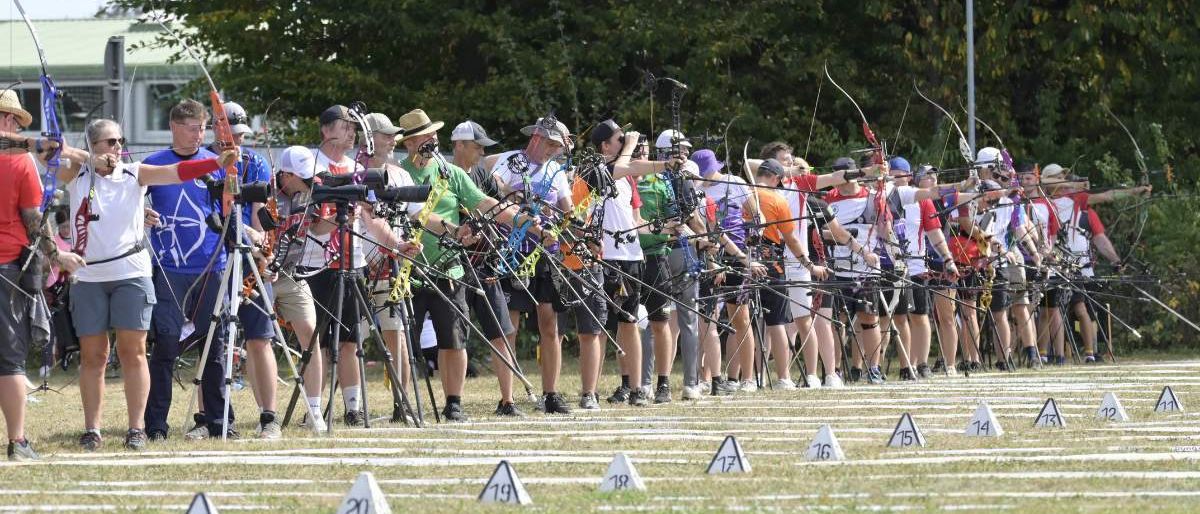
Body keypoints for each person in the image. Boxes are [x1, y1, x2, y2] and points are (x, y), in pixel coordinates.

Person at [65, 118, 238, 450]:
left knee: (134, 353)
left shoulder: (135, 172)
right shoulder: (76, 173)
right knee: (94, 355)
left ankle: (136, 429)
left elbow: (178, 173)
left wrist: (217, 162)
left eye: (120, 141)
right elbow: (50, 153)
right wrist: (89, 159)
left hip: (131, 273)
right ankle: (92, 429)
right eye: (109, 142)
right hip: (89, 277)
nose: (117, 148)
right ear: (93, 145)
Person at [396, 108, 540, 421]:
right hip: (411, 269)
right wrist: (453, 230)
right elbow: (415, 214)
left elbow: (483, 202)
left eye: (434, 134)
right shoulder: (399, 174)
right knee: (405, 342)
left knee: (454, 340)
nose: (432, 140)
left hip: (449, 269)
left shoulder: (450, 173)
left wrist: (518, 219)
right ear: (408, 143)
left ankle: (454, 403)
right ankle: (403, 406)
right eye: (425, 136)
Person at [0, 91, 87, 459]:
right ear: (10, 122)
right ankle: (18, 441)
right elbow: (34, 221)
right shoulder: (21, 165)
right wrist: (59, 256)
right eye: (16, 121)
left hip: (8, 268)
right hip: (7, 268)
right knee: (10, 360)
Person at [144, 99, 237, 440]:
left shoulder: (215, 162)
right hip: (169, 268)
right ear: (174, 127)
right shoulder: (154, 164)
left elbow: (230, 207)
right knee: (165, 347)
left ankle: (219, 421)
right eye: (191, 128)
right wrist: (142, 211)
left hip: (212, 266)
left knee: (213, 347)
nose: (198, 134)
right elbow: (131, 197)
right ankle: (155, 425)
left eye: (202, 128)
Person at [491, 116, 574, 414]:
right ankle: (507, 399)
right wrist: (517, 196)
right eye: (550, 143)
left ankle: (551, 394)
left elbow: (568, 209)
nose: (553, 151)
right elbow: (495, 187)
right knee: (508, 325)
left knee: (550, 323)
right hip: (512, 250)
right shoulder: (512, 160)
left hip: (547, 252)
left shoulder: (556, 170)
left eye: (558, 146)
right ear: (536, 137)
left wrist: (572, 222)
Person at [450, 119, 525, 416]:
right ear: (459, 145)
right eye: (477, 146)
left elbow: (501, 201)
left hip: (485, 263)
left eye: (483, 148)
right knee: (455, 336)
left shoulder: (482, 173)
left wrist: (523, 214)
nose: (481, 152)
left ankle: (508, 401)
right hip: (453, 264)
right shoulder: (445, 174)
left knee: (502, 332)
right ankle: (453, 403)